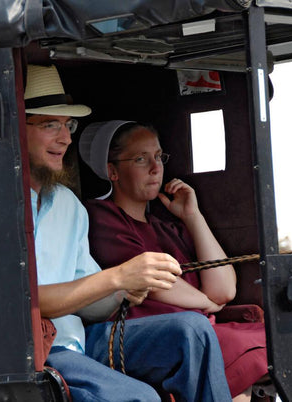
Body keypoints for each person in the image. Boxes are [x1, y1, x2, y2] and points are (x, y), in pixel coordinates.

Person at [24, 64, 232, 402]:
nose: (65, 137)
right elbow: (27, 302)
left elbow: (91, 304)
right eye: (51, 125)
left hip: (84, 339)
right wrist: (119, 277)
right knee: (141, 398)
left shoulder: (67, 205)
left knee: (192, 330)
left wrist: (127, 290)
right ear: (19, 125)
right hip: (43, 350)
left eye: (68, 125)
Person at [79, 120, 273, 401]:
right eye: (141, 159)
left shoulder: (165, 227)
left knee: (269, 336)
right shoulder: (101, 217)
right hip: (150, 335)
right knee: (225, 344)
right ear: (112, 171)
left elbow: (224, 290)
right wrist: (206, 303)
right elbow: (152, 280)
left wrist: (193, 217)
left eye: (158, 156)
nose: (155, 168)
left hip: (198, 335)